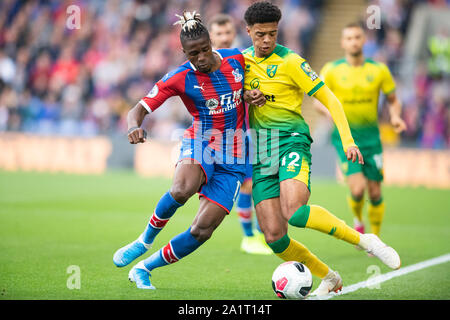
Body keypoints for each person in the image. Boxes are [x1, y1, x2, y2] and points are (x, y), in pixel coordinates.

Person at [242, 1, 401, 296]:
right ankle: (329, 277)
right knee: (275, 237)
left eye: (272, 34)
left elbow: (331, 99)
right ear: (248, 31)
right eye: (260, 34)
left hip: (292, 140)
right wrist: (244, 95)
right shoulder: (240, 62)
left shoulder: (291, 62)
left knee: (296, 212)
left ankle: (366, 241)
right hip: (263, 152)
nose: (267, 40)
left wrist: (348, 140)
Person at [113, 11, 250, 289]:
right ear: (184, 53)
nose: (199, 58)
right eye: (192, 54)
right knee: (181, 189)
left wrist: (253, 95)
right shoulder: (180, 76)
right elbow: (138, 109)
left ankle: (144, 268)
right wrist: (133, 127)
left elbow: (261, 85)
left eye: (203, 50)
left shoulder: (238, 59)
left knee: (202, 230)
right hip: (201, 140)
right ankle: (144, 241)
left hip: (235, 154)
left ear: (212, 44)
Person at [318, 22, 407, 237]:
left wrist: (395, 116)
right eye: (349, 38)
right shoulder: (332, 70)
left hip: (371, 138)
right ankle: (358, 220)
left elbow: (394, 100)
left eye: (357, 37)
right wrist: (328, 113)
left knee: (375, 192)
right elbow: (317, 101)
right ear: (342, 42)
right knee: (358, 190)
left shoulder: (379, 70)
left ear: (363, 40)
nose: (353, 42)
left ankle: (375, 236)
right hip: (345, 137)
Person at [208, 13, 271, 255]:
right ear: (211, 37)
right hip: (220, 135)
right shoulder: (206, 65)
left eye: (227, 33)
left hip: (247, 132)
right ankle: (249, 235)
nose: (224, 38)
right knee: (245, 184)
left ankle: (255, 233)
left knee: (254, 182)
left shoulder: (242, 60)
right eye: (219, 34)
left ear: (234, 34)